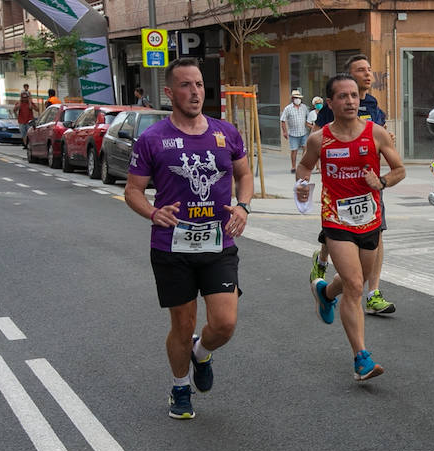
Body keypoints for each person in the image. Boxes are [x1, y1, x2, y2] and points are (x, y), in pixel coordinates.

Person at [124, 57, 254, 421]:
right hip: (171, 246)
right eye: (185, 85)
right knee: (181, 325)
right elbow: (132, 191)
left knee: (225, 324)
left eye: (198, 84)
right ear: (169, 92)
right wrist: (153, 212)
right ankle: (180, 387)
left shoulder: (225, 132)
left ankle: (201, 352)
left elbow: (245, 176)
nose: (195, 92)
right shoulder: (152, 139)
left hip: (218, 242)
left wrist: (243, 206)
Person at [297, 73, 406, 382]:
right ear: (330, 103)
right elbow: (305, 165)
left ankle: (325, 293)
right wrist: (302, 185)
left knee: (351, 281)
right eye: (342, 96)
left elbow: (399, 170)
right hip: (336, 219)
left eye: (354, 95)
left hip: (369, 220)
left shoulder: (377, 134)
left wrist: (382, 181)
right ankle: (361, 357)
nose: (350, 101)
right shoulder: (320, 139)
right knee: (356, 285)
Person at [347, 54, 395, 316]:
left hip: (371, 183)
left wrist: (387, 139)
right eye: (360, 70)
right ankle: (322, 263)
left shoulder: (374, 105)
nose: (367, 74)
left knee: (377, 234)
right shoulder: (336, 103)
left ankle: (373, 293)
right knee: (337, 237)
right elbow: (318, 139)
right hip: (341, 183)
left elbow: (382, 139)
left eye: (369, 69)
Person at [280, 89, 309, 174]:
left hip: (303, 132)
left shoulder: (304, 107)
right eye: (296, 98)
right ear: (292, 99)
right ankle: (293, 166)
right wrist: (284, 132)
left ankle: (303, 165)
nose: (297, 99)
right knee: (294, 150)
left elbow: (309, 118)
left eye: (298, 98)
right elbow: (283, 120)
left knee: (305, 149)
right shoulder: (288, 108)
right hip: (293, 133)